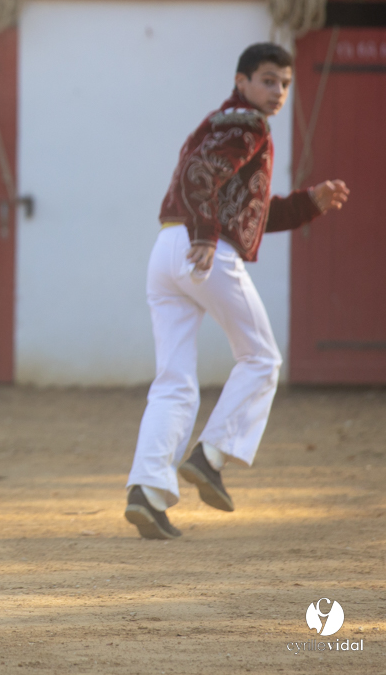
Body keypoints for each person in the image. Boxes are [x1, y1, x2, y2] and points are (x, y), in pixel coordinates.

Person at [124, 42, 350, 540]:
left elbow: (248, 210)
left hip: (167, 248)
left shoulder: (221, 123)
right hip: (203, 250)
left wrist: (309, 203)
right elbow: (199, 175)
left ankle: (147, 491)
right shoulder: (249, 125)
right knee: (261, 359)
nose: (278, 91)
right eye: (268, 80)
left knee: (174, 381)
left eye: (285, 83)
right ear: (241, 81)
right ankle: (210, 457)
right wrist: (206, 235)